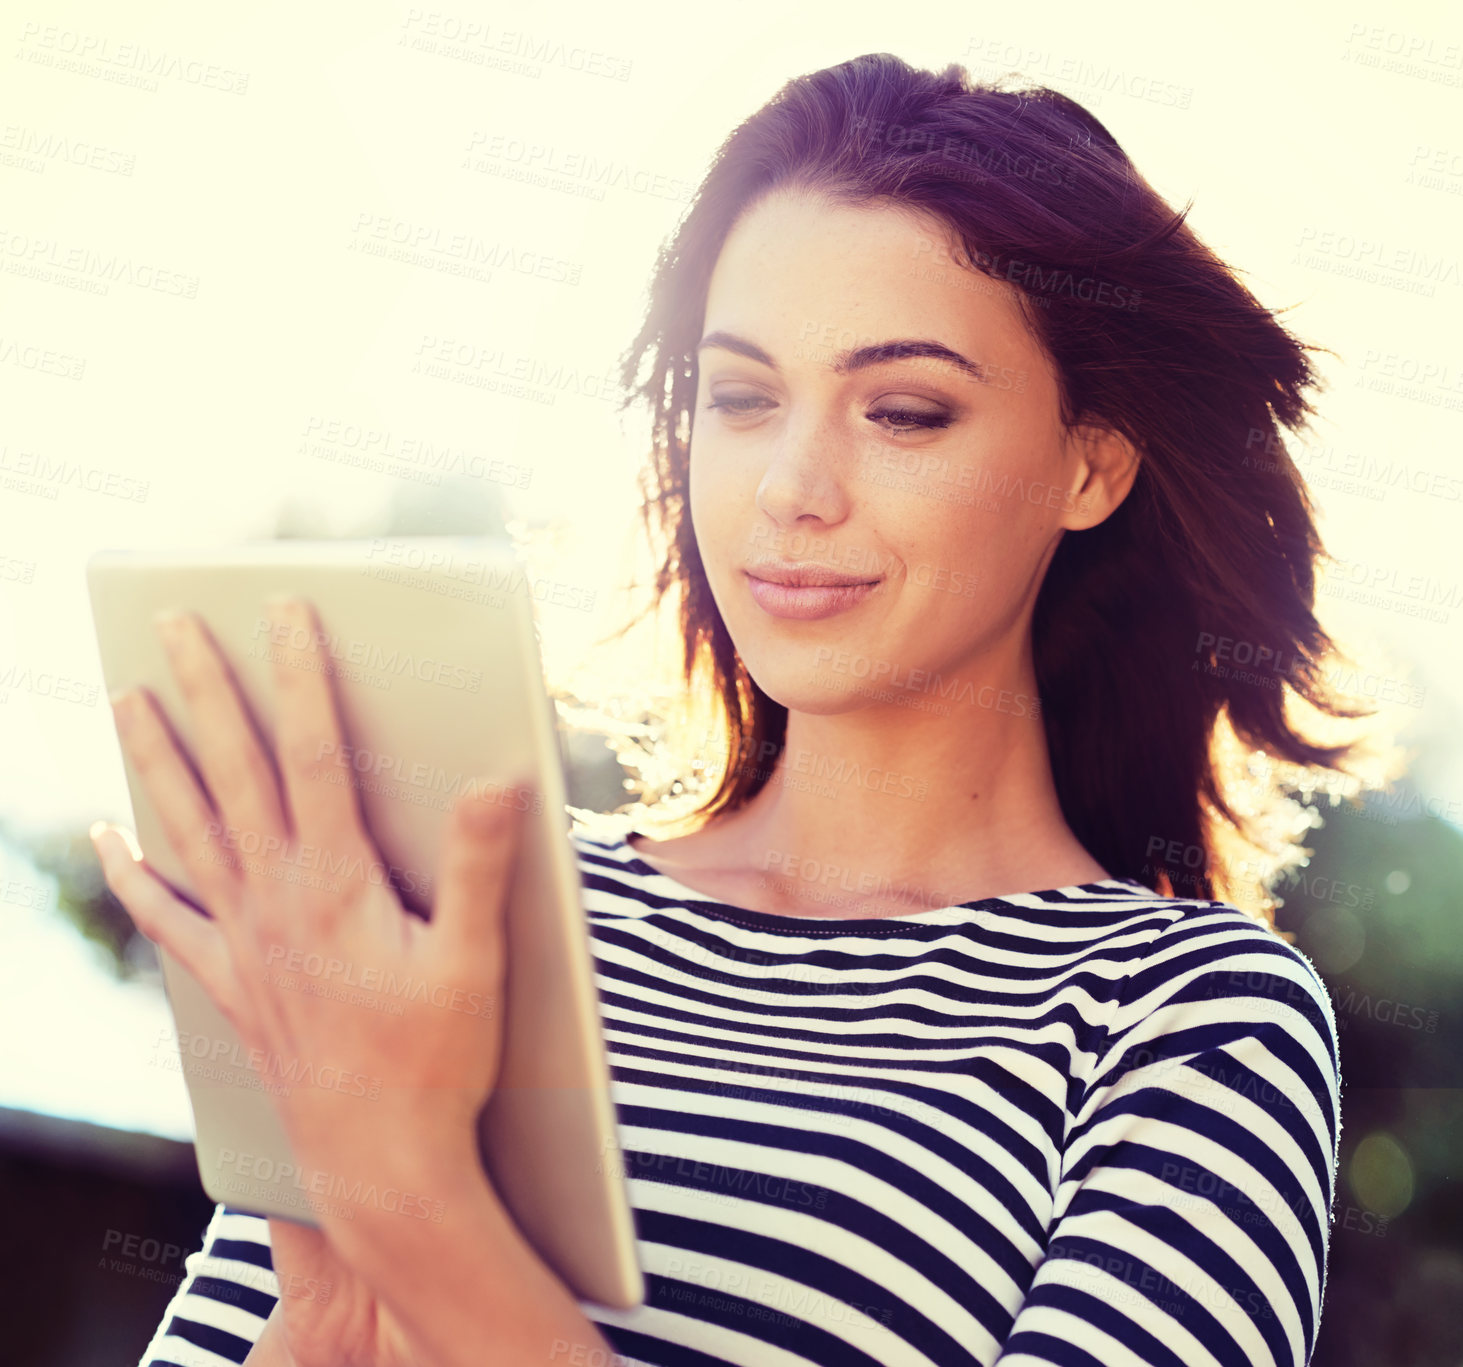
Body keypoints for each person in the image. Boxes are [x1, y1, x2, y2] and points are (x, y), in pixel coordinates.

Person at [106, 52, 1360, 1367]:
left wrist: (425, 1221)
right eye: (744, 398)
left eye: (904, 411)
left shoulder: (1189, 1028)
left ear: (1092, 462)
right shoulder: (476, 920)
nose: (791, 489)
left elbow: (418, 1224)